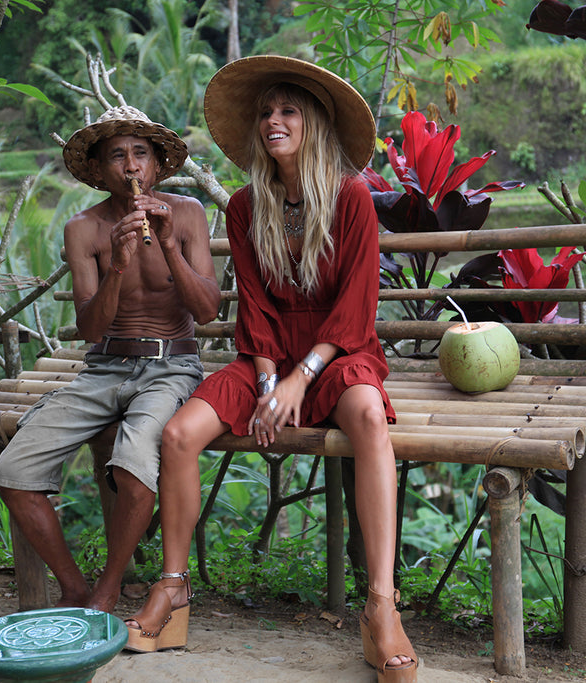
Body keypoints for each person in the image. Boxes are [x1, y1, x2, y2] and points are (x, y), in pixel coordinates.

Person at [125, 57, 419, 682]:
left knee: (370, 416)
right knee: (178, 434)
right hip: (266, 357)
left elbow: (355, 307)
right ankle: (173, 587)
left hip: (337, 353)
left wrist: (299, 378)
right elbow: (255, 306)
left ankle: (381, 605)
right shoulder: (244, 205)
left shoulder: (351, 199)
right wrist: (267, 384)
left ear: (313, 123)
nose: (272, 121)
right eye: (265, 112)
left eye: (287, 111)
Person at [0, 105, 221, 612]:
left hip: (171, 366)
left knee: (135, 470)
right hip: (104, 369)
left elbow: (207, 311)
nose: (131, 166)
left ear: (157, 165)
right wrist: (117, 265)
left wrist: (167, 245)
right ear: (98, 169)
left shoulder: (186, 214)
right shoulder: (84, 229)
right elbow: (91, 329)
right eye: (117, 156)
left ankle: (108, 586)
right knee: (12, 471)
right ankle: (74, 587)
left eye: (141, 154)